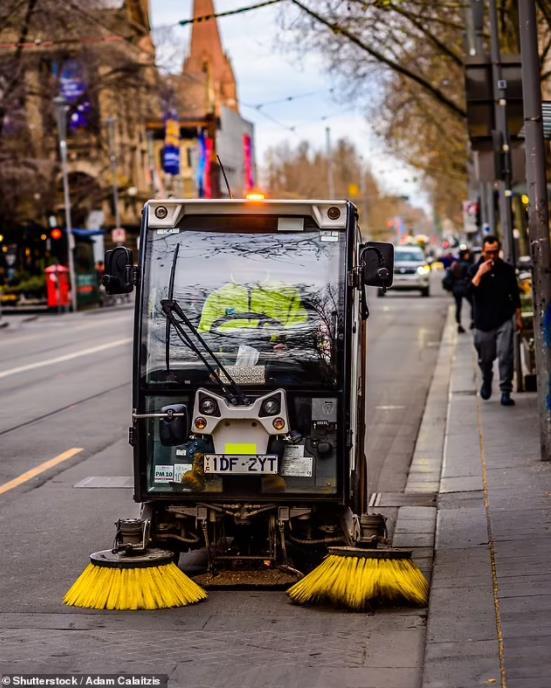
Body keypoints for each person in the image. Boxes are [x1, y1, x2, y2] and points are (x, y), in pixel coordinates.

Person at [468, 235, 522, 406]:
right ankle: (487, 377)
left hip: (504, 319)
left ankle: (505, 390)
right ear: (483, 252)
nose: (492, 256)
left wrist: (518, 317)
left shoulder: (506, 269)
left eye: (495, 252)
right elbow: (468, 292)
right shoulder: (474, 269)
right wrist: (480, 274)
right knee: (485, 358)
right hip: (483, 322)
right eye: (488, 252)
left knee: (506, 355)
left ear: (499, 251)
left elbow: (515, 295)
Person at [443, 248, 473, 333]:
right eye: (467, 254)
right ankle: (473, 321)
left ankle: (459, 324)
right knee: (473, 304)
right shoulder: (467, 265)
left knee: (458, 307)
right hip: (465, 288)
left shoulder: (454, 264)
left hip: (456, 288)